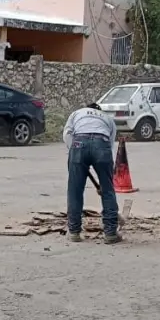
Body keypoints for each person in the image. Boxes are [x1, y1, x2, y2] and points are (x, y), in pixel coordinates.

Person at [63, 103, 120, 244]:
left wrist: (76, 154)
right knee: (108, 190)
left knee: (75, 190)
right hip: (102, 144)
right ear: (98, 110)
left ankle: (74, 232)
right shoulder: (107, 118)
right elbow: (110, 144)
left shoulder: (77, 113)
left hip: (78, 143)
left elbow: (67, 134)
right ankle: (111, 233)